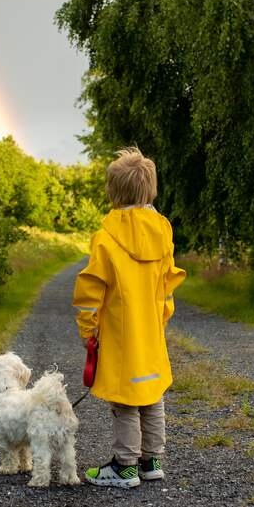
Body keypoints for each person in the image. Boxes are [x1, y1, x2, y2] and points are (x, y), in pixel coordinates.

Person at [73, 147, 186, 488]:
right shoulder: (162, 233)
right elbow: (167, 286)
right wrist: (160, 319)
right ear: (150, 189)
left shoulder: (106, 239)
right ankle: (151, 461)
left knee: (124, 399)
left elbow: (91, 290)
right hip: (151, 332)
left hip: (121, 335)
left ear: (113, 191)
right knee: (152, 393)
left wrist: (88, 330)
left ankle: (125, 466)